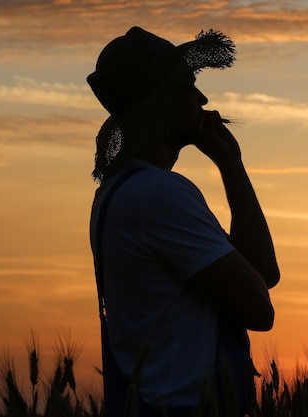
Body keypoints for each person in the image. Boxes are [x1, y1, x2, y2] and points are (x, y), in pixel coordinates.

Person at [87, 27, 280, 417]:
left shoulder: (120, 192)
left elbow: (263, 273)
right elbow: (261, 310)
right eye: (190, 85)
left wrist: (231, 164)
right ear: (164, 101)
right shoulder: (160, 194)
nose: (202, 98)